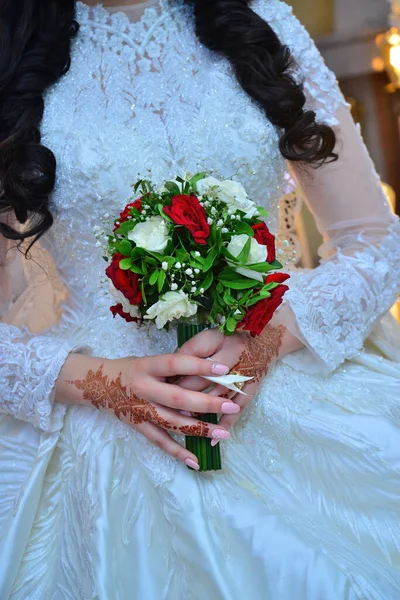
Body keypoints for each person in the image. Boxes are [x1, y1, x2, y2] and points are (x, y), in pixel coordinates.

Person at [0, 0, 399, 597]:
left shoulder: (262, 22)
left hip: (281, 383)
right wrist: (103, 382)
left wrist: (266, 340)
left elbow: (374, 239)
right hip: (97, 426)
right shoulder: (11, 49)